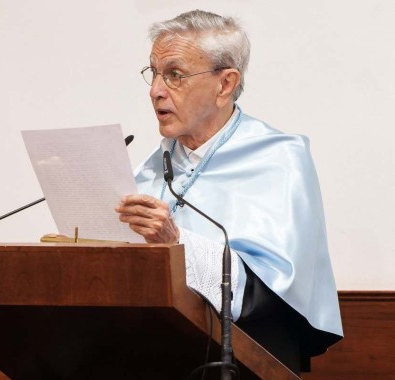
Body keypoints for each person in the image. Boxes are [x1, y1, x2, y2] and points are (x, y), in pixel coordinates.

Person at [115, 9, 343, 374]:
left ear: (224, 84)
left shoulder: (280, 158)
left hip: (242, 361)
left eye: (174, 74)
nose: (155, 90)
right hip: (150, 355)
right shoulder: (151, 166)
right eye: (153, 72)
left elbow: (272, 289)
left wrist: (177, 244)